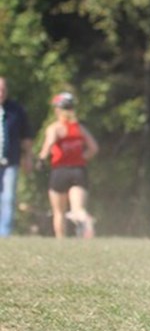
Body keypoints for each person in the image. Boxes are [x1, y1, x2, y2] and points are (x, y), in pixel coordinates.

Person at [37, 92, 99, 239]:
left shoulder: (55, 128)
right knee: (78, 209)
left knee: (59, 212)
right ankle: (86, 220)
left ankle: (61, 240)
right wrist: (82, 157)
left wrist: (41, 159)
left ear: (57, 109)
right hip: (79, 170)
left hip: (60, 171)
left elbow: (49, 144)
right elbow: (94, 148)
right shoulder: (79, 128)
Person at [0, 78, 34, 237]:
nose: (0, 93)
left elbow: (26, 136)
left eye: (3, 90)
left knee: (8, 197)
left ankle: (4, 233)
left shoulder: (16, 110)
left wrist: (28, 157)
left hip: (10, 161)